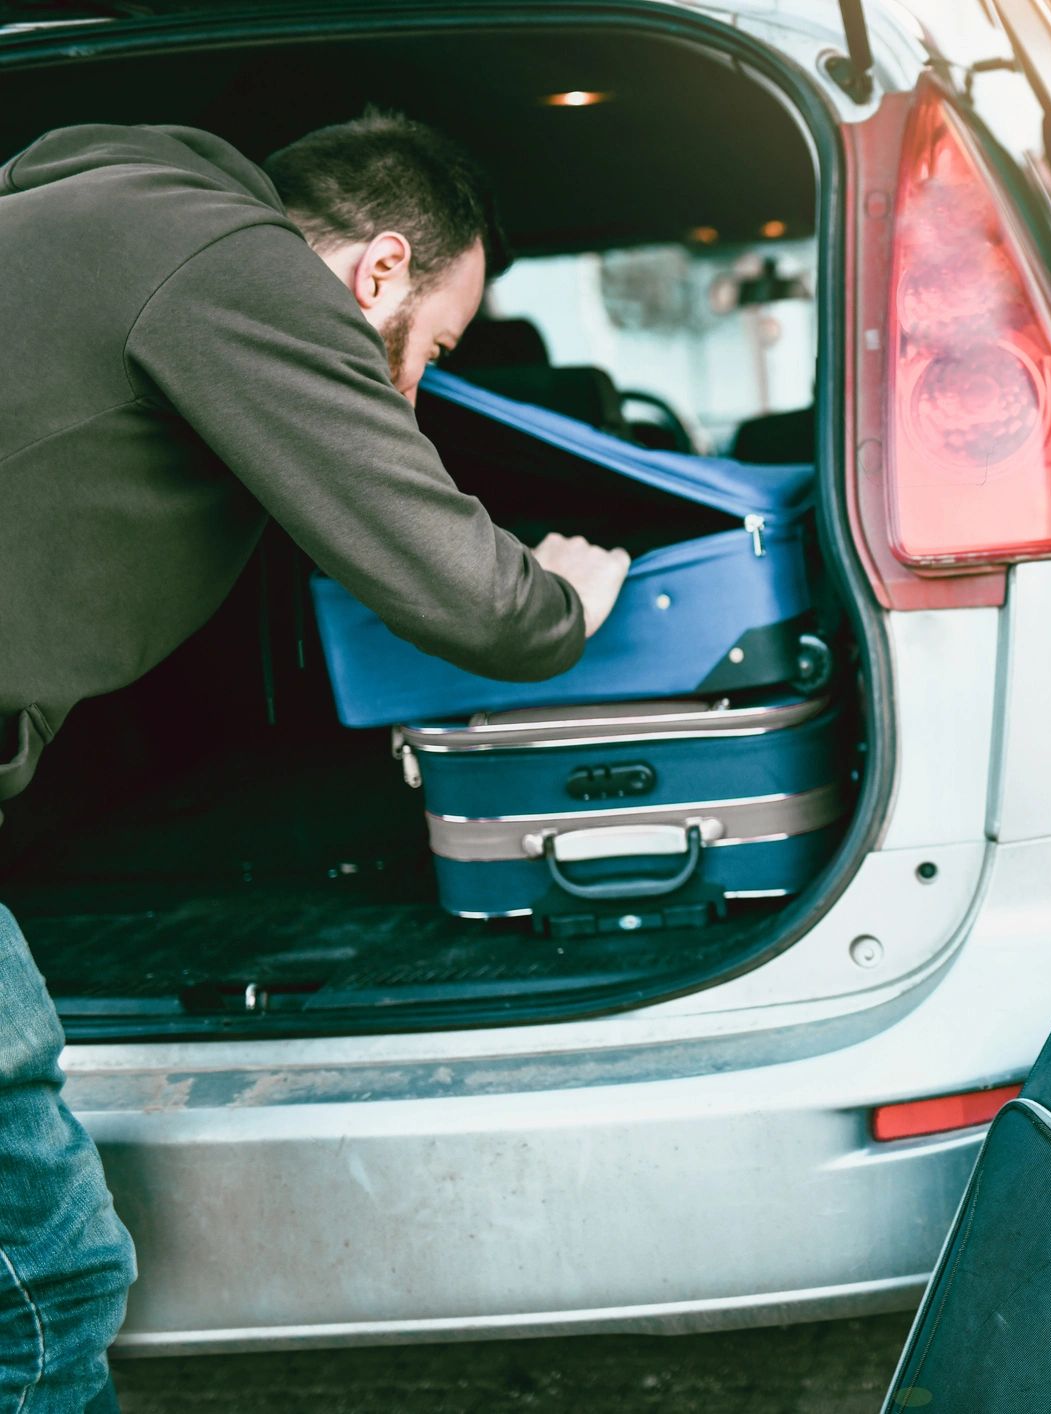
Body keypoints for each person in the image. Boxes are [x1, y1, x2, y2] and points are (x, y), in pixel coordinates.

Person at [0, 112, 631, 1411]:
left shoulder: (101, 212)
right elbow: (462, 591)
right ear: (378, 271)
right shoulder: (233, 267)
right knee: (44, 1281)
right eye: (433, 352)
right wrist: (564, 598)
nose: (409, 394)